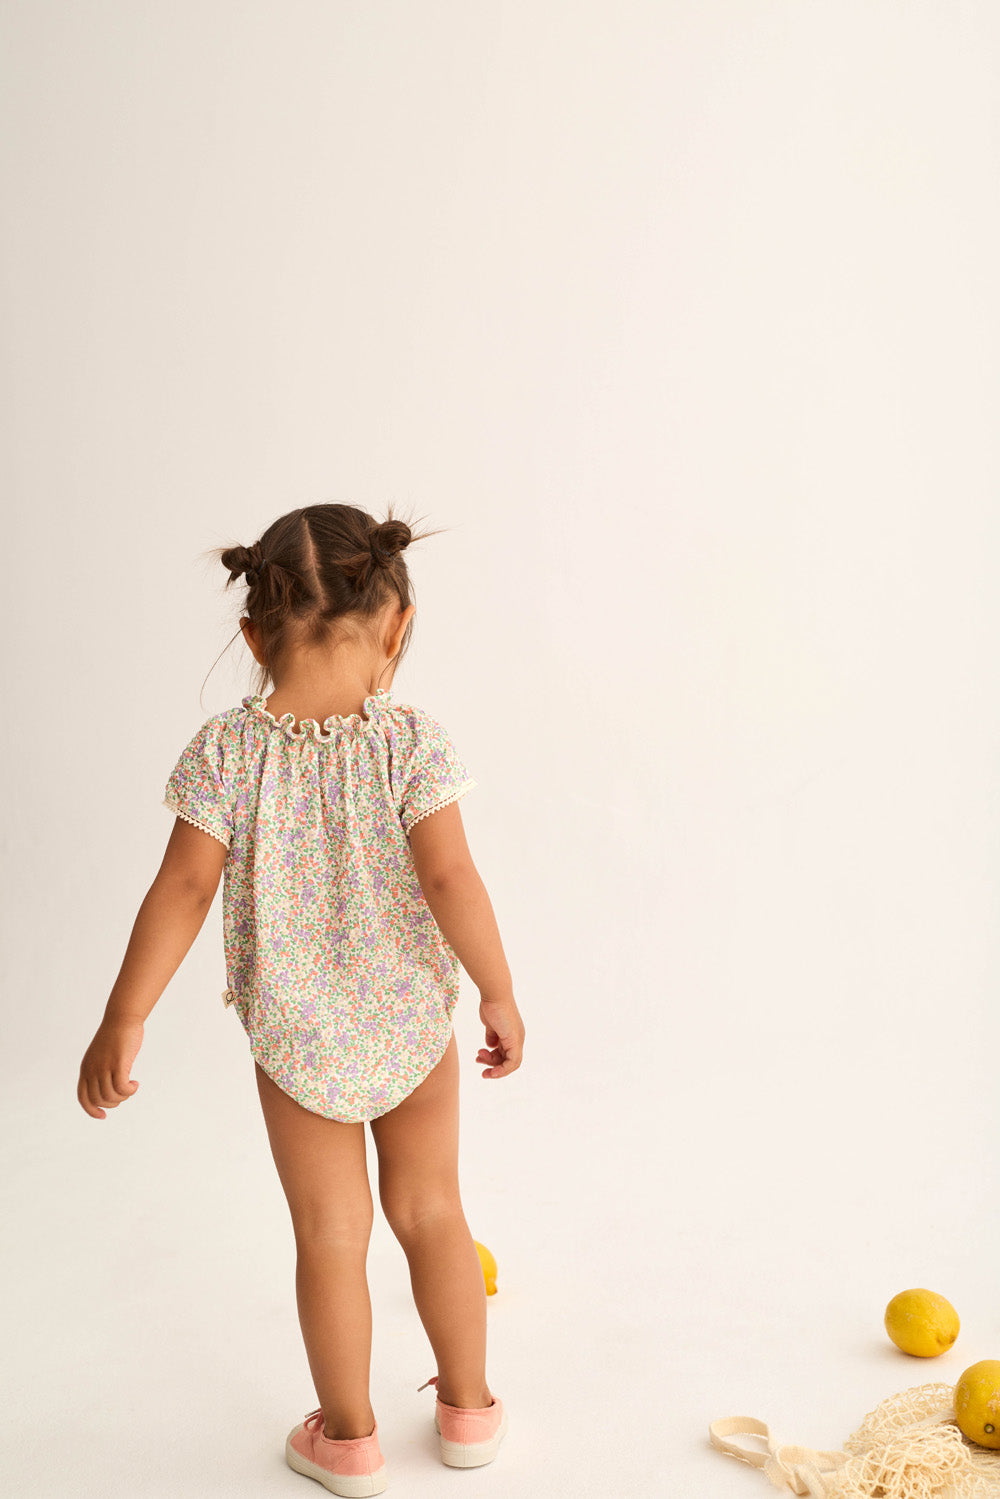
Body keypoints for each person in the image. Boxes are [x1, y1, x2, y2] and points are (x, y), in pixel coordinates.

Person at [77, 502, 525, 1497]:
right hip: (411, 1022)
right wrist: (496, 990)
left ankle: (351, 1438)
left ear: (252, 633)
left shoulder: (227, 750)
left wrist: (126, 1013)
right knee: (434, 1208)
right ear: (396, 623)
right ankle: (467, 1412)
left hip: (297, 1035)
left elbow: (183, 888)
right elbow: (453, 879)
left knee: (331, 1232)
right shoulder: (413, 741)